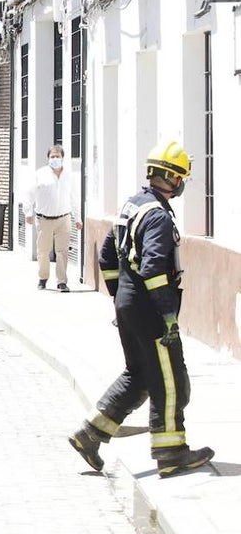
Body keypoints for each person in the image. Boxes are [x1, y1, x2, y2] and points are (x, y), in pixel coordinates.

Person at [68, 141, 214, 480]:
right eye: (181, 178)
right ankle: (171, 453)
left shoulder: (133, 205)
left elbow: (107, 257)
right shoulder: (159, 217)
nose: (182, 184)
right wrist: (167, 316)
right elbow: (152, 269)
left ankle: (90, 434)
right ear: (173, 178)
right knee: (171, 380)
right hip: (150, 313)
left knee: (139, 376)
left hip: (129, 308)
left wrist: (122, 299)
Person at [25, 144, 83, 291]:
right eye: (52, 156)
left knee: (62, 251)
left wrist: (78, 218)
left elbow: (75, 197)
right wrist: (28, 212)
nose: (55, 159)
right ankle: (43, 278)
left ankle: (61, 281)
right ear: (48, 158)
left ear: (62, 158)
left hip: (64, 218)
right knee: (43, 250)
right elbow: (29, 194)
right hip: (44, 219)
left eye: (57, 156)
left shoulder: (69, 176)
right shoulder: (40, 174)